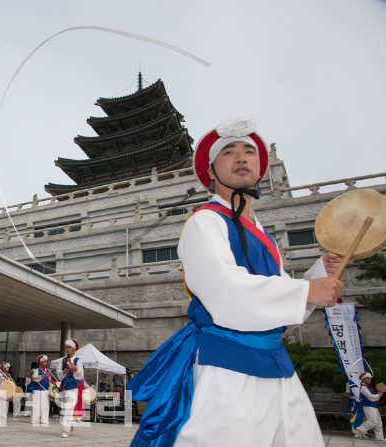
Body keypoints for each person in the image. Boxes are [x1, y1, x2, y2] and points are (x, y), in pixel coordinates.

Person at [128, 114, 344, 447]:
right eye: (229, 151)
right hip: (227, 367)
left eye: (249, 151)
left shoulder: (264, 236)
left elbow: (286, 313)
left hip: (278, 368)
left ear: (260, 169)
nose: (242, 156)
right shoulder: (205, 222)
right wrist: (305, 291)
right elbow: (226, 294)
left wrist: (318, 276)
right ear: (211, 171)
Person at [56, 338, 85, 438]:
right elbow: (58, 371)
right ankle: (71, 424)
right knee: (65, 408)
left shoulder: (78, 360)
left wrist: (74, 367)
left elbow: (80, 374)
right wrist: (63, 372)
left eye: (69, 347)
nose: (68, 349)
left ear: (74, 349)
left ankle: (65, 430)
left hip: (73, 387)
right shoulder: (63, 360)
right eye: (67, 347)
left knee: (68, 408)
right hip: (64, 387)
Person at [354, 372, 384, 439]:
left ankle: (379, 437)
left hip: (373, 406)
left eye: (369, 378)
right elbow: (370, 397)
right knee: (373, 421)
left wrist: (379, 395)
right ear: (363, 379)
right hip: (368, 406)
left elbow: (374, 399)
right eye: (367, 378)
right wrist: (378, 395)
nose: (369, 380)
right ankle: (360, 429)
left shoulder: (368, 388)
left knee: (378, 422)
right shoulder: (363, 388)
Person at [31, 355, 53, 426]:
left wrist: (51, 388)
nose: (45, 363)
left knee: (45, 405)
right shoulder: (37, 370)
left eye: (46, 362)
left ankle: (44, 419)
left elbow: (49, 380)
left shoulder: (48, 371)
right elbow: (34, 378)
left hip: (45, 390)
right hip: (38, 389)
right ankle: (34, 419)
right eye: (44, 362)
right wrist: (41, 376)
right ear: (41, 363)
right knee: (37, 405)